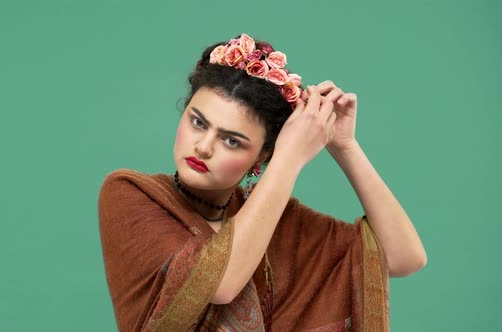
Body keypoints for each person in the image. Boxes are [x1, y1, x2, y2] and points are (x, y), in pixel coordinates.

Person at [98, 33, 427, 331]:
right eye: (198, 122)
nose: (203, 146)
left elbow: (403, 257)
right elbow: (220, 283)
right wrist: (290, 157)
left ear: (260, 158)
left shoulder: (277, 220)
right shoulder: (131, 194)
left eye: (231, 141)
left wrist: (344, 146)